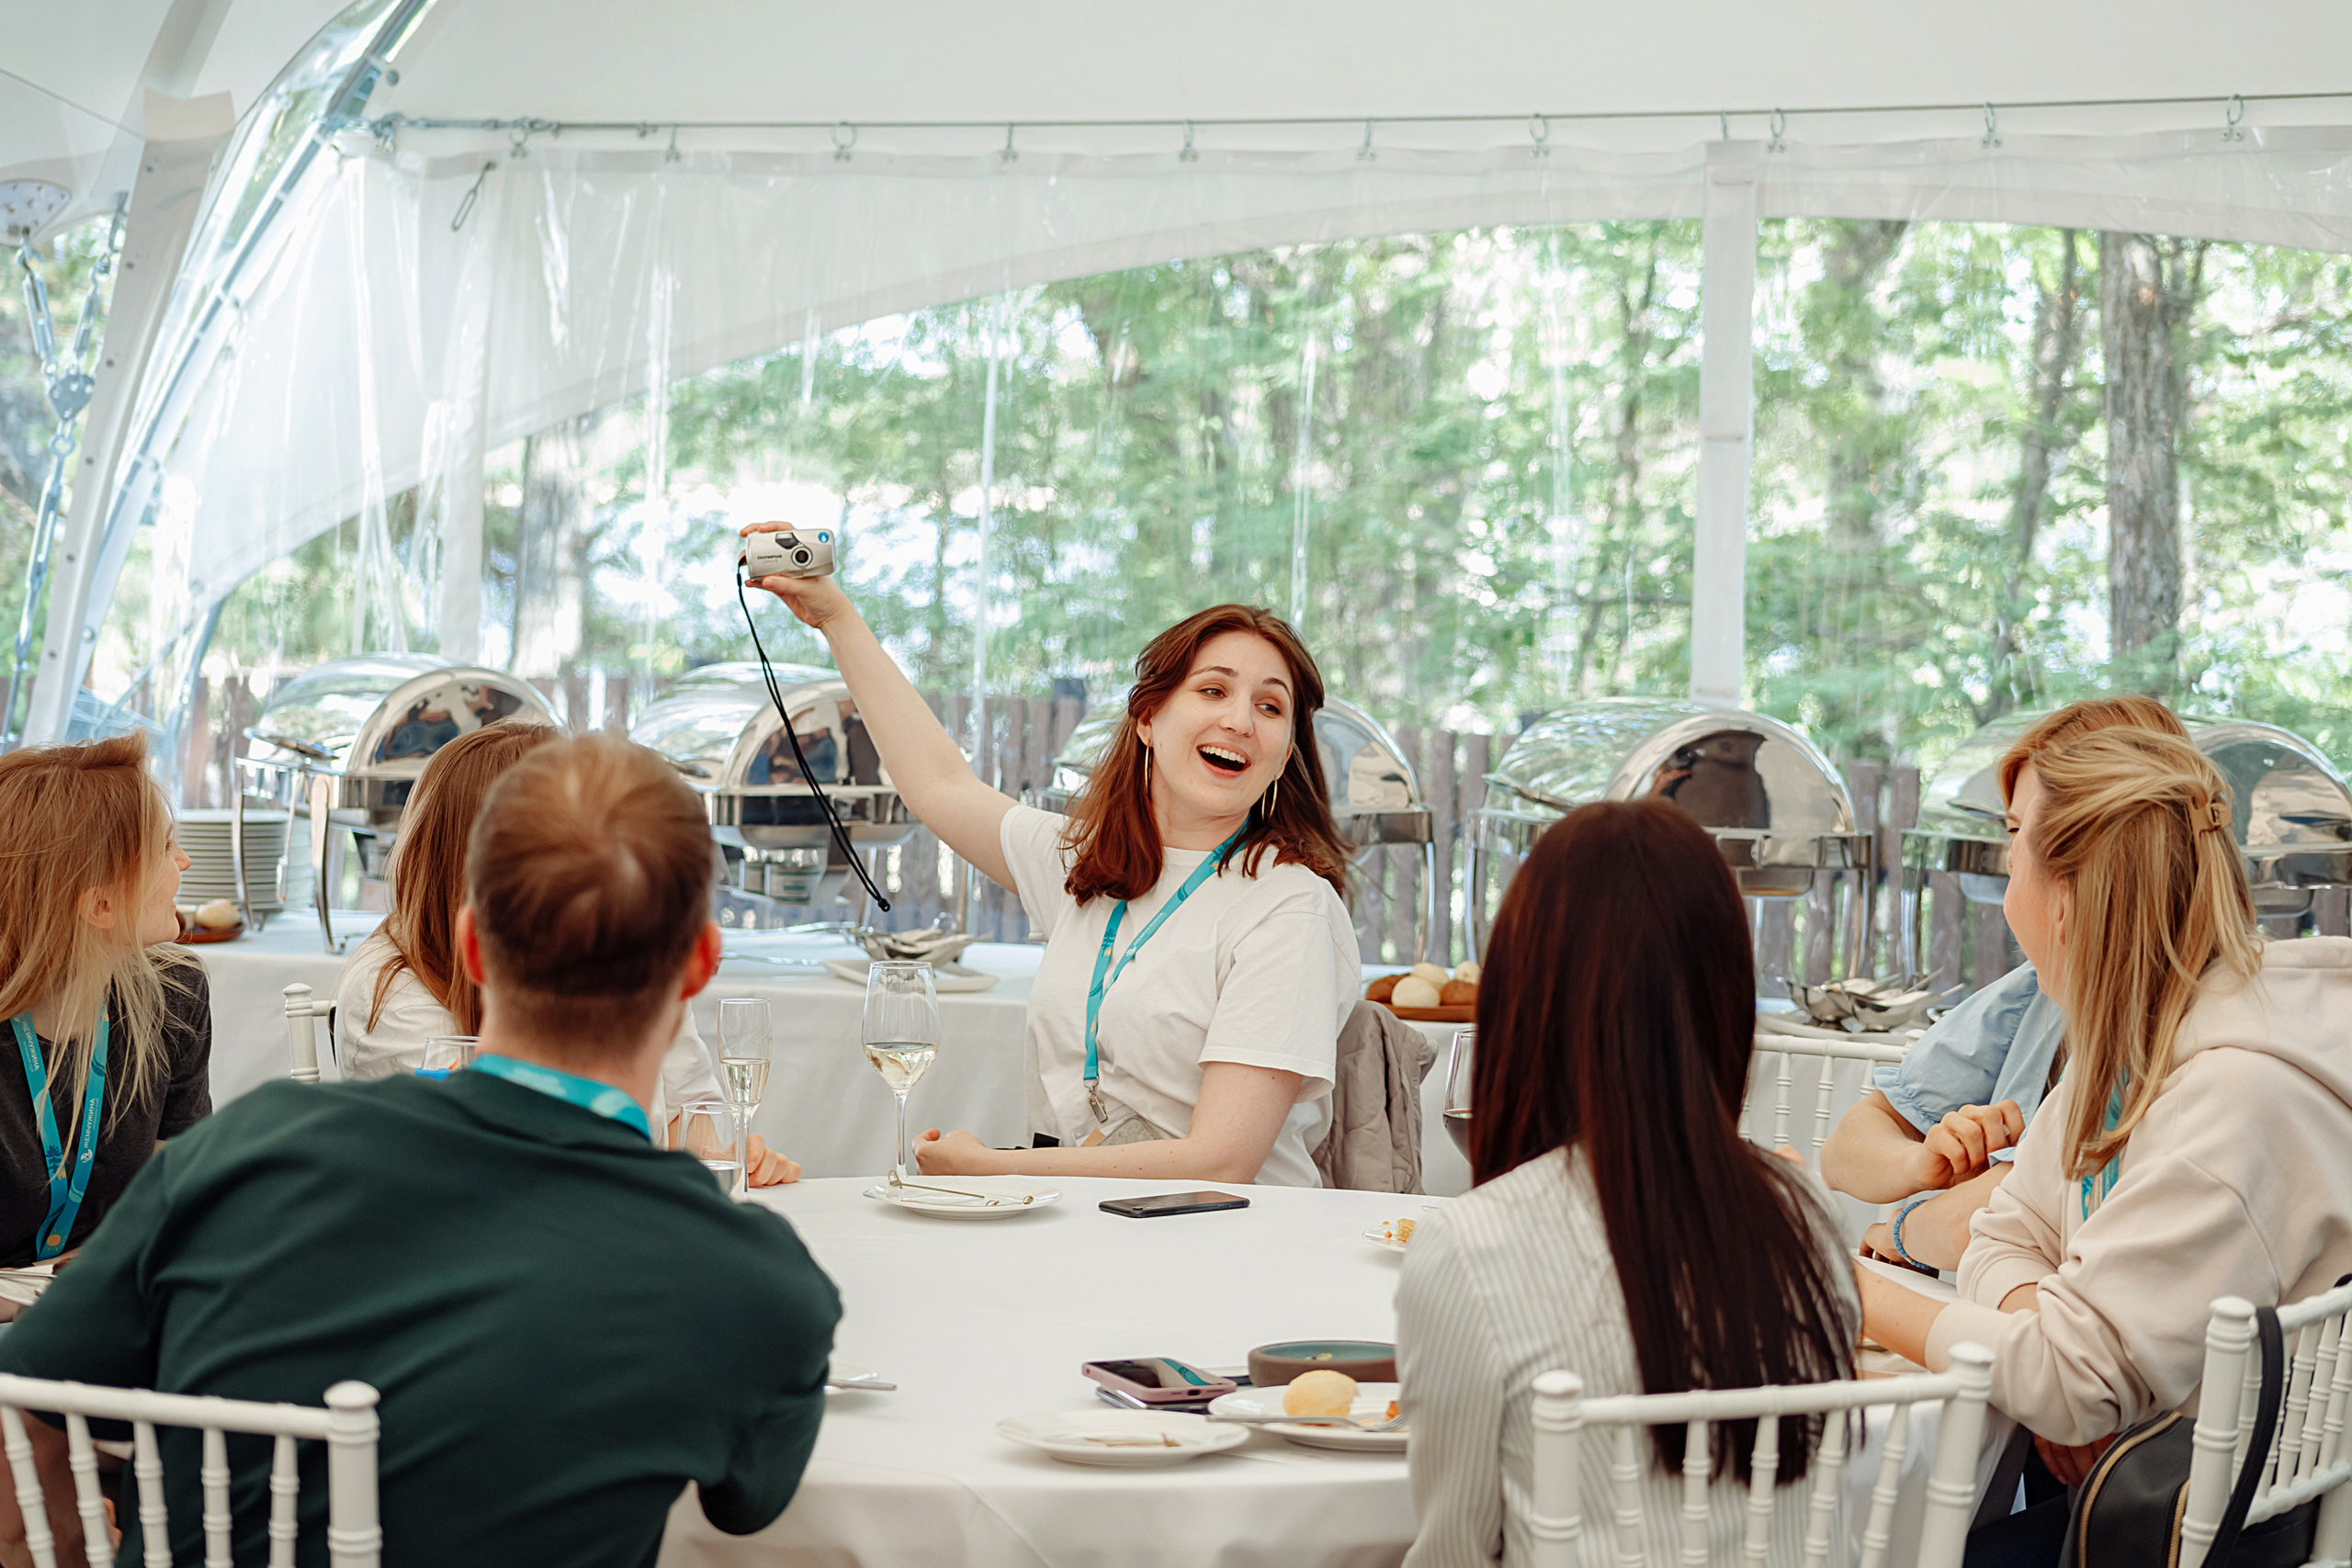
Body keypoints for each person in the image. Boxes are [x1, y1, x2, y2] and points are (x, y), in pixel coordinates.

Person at [0, 734, 842, 1567]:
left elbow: (30, 1379)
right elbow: (748, 1508)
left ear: (473, 945)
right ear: (700, 964)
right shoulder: (759, 1287)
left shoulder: (240, 1154)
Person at [1856, 728, 2352, 1565]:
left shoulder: (2232, 1101)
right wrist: (2053, 1348)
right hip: (2155, 1493)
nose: (2004, 879)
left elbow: (2068, 1384)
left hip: (2199, 1532)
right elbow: (2004, 1233)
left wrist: (1841, 1286)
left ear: (2069, 894)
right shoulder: (2129, 1046)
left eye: (2015, 841)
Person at [747, 525, 1357, 1186]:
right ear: (1148, 719)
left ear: (1284, 754)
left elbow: (1223, 1159)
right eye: (1213, 690)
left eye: (1270, 707)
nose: (1240, 720)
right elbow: (939, 784)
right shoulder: (1086, 864)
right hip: (1092, 1219)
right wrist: (835, 616)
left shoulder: (1289, 906)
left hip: (1226, 1231)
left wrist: (999, 1169)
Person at [1396, 799, 1860, 1566]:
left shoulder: (1468, 1246)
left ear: (1523, 995)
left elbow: (1455, 1553)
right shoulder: (1805, 1210)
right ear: (1726, 998)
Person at [335, 720, 797, 1183]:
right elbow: (506, 1169)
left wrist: (730, 1157)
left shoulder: (627, 950)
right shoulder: (393, 996)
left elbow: (692, 1127)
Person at [1819, 696, 2189, 1271]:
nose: (2014, 860)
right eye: (2011, 832)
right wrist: (1924, 1163)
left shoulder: (2183, 1029)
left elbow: (2007, 1211)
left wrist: (1903, 1230)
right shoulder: (2035, 994)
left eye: (2023, 831)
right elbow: (1845, 1152)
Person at [0, 733, 209, 1563]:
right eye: (166, 847)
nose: (184, 862)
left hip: (98, 1318)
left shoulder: (176, 995)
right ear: (97, 903)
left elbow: (173, 1199)